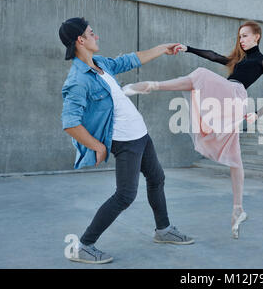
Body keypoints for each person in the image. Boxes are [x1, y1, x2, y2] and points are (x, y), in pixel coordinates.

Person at [122, 21, 263, 239]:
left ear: (257, 36)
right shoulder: (238, 59)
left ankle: (152, 85)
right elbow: (214, 56)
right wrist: (187, 48)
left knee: (201, 76)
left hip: (235, 96)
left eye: (245, 36)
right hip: (225, 98)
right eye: (239, 36)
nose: (241, 40)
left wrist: (257, 114)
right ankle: (238, 209)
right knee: (235, 157)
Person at [59, 17, 194, 264]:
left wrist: (163, 48)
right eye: (92, 33)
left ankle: (163, 230)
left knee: (157, 179)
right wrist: (97, 145)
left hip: (140, 135)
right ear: (80, 40)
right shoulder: (78, 79)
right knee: (125, 195)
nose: (96, 36)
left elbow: (131, 59)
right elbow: (69, 122)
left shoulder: (100, 64)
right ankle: (84, 245)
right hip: (124, 141)